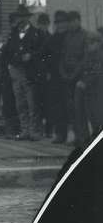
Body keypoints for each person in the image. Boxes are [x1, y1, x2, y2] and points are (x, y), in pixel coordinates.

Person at [2, 5, 42, 140]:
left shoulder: (36, 33)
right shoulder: (13, 33)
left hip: (29, 72)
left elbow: (43, 52)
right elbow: (6, 51)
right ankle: (25, 130)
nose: (21, 20)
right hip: (15, 72)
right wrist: (9, 65)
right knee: (20, 103)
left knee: (32, 103)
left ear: (28, 18)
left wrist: (31, 55)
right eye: (19, 17)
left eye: (24, 17)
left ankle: (34, 131)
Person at [60, 10, 90, 145]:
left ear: (78, 20)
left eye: (73, 21)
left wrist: (74, 75)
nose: (71, 24)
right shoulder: (67, 37)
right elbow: (62, 56)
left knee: (80, 108)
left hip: (79, 77)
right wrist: (63, 73)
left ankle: (84, 137)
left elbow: (85, 59)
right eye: (69, 22)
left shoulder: (85, 36)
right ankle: (77, 136)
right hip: (67, 78)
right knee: (71, 108)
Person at [40, 10, 69, 143]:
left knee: (72, 107)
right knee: (57, 106)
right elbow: (43, 56)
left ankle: (79, 136)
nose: (60, 25)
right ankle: (60, 134)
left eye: (63, 22)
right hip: (56, 78)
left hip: (71, 77)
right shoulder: (51, 39)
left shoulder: (71, 37)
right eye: (58, 22)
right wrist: (47, 71)